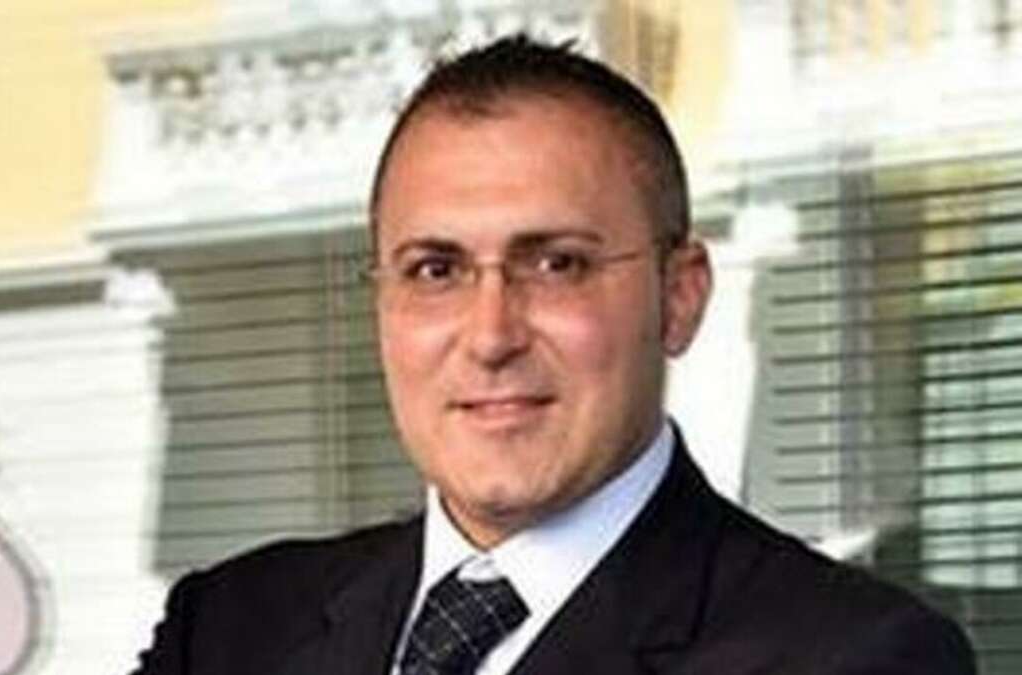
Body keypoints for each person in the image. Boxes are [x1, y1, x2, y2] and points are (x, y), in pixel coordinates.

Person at [132, 34, 976, 675]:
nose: (491, 335)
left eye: (558, 264)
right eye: (435, 269)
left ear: (680, 295)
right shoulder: (229, 629)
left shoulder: (855, 657)